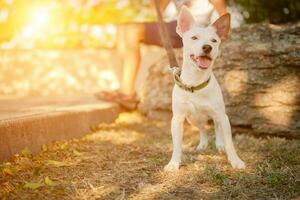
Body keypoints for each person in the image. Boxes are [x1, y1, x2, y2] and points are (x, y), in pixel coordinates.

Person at [96, 0, 228, 109]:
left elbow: (222, 12)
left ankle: (127, 94)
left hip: (194, 29)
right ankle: (124, 87)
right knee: (123, 28)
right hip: (174, 25)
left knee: (132, 31)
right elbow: (156, 12)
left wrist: (223, 34)